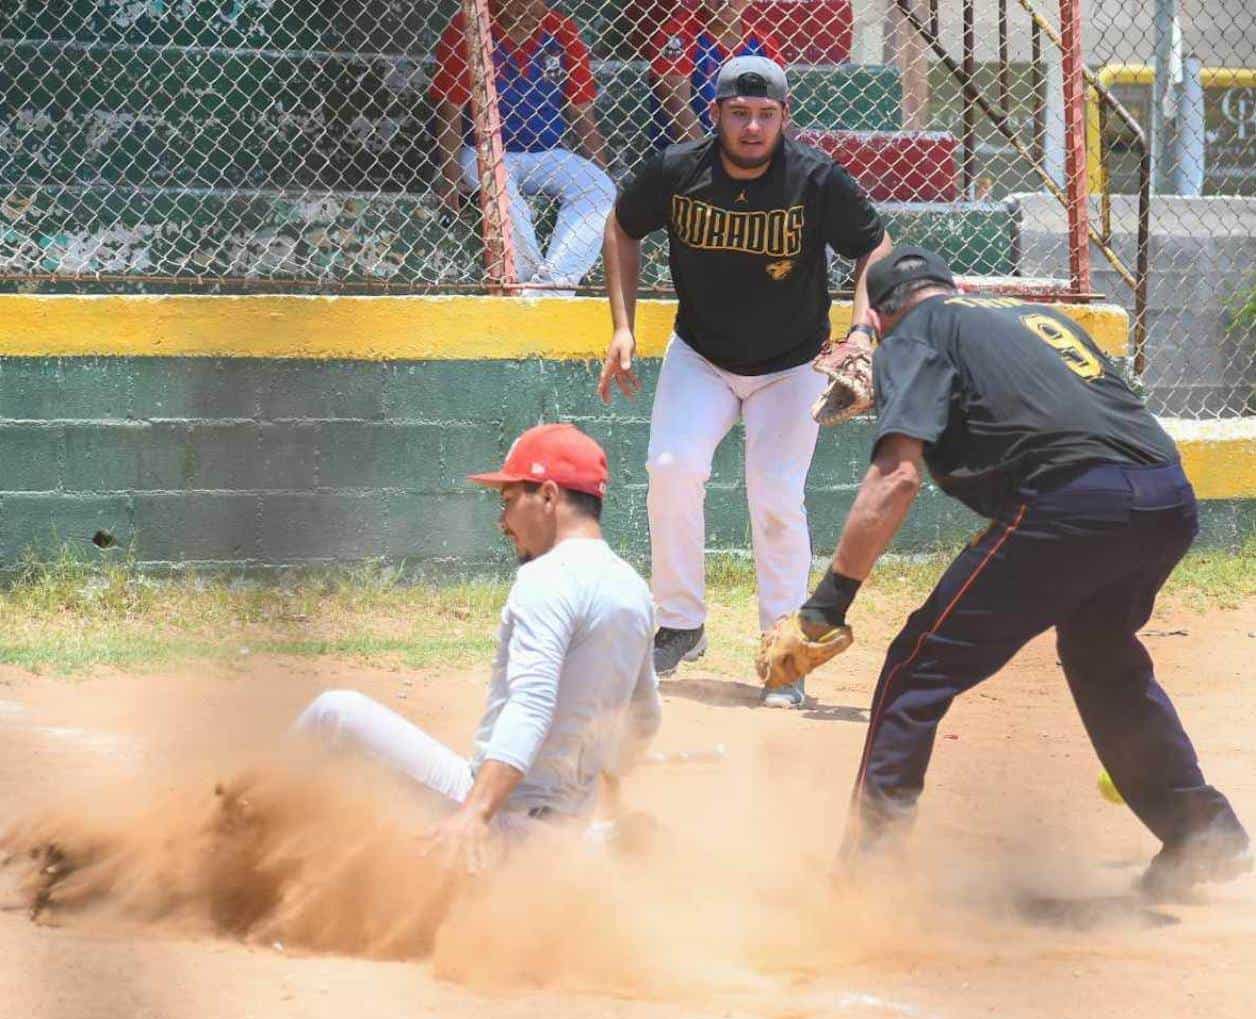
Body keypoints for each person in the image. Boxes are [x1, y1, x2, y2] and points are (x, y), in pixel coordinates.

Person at [759, 244, 1252, 898]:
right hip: (1166, 495)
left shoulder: (910, 336)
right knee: (1100, 653)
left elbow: (897, 477)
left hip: (1075, 502)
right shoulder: (1029, 317)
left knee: (917, 664)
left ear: (878, 317)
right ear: (955, 283)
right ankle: (1202, 836)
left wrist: (828, 604)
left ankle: (868, 876)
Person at [599, 55, 892, 708]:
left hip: (790, 365)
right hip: (700, 354)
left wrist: (862, 332)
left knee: (776, 497)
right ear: (717, 116)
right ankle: (679, 622)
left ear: (785, 118)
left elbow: (874, 245)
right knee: (672, 466)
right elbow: (621, 226)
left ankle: (784, 654)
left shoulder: (813, 178)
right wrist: (624, 325)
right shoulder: (678, 172)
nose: (753, 127)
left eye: (765, 115)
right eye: (740, 114)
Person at [290, 423, 661, 871]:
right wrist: (608, 792)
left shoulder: (546, 579)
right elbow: (643, 717)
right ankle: (600, 844)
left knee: (335, 713)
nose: (502, 523)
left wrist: (475, 814)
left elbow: (531, 706)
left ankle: (240, 838)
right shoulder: (634, 589)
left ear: (547, 496)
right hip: (561, 835)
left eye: (508, 502)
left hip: (504, 823)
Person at [429, 0, 615, 294]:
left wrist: (601, 173)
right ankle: (527, 286)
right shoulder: (468, 27)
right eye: (514, 2)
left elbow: (582, 114)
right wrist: (450, 178)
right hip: (482, 150)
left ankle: (552, 287)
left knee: (600, 189)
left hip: (546, 151)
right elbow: (450, 110)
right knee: (500, 191)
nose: (523, 9)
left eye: (533, 2)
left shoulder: (561, 30)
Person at [648, 0, 783, 148]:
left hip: (748, 154)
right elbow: (679, 114)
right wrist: (710, 161)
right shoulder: (677, 35)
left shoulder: (764, 43)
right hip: (685, 157)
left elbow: (781, 115)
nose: (725, 2)